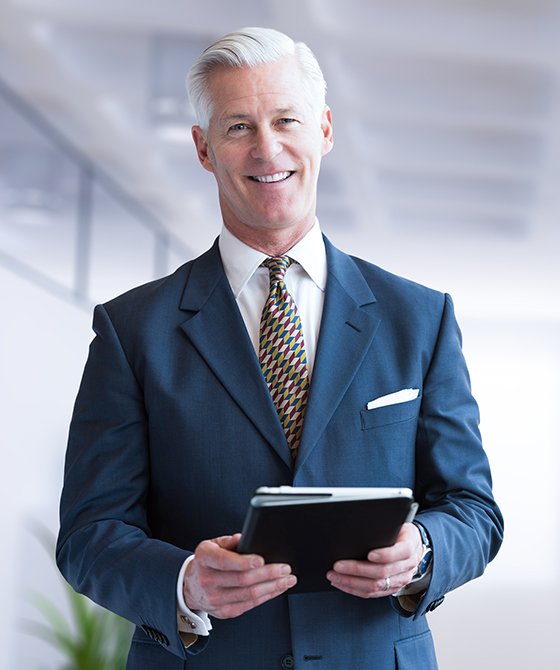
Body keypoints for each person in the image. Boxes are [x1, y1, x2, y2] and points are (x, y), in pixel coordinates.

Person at [56, 26, 502, 669]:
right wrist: (184, 583)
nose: (268, 148)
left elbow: (474, 510)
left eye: (285, 119)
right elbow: (90, 536)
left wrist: (423, 551)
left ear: (323, 129)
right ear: (204, 148)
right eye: (237, 126)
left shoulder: (420, 318)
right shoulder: (133, 330)